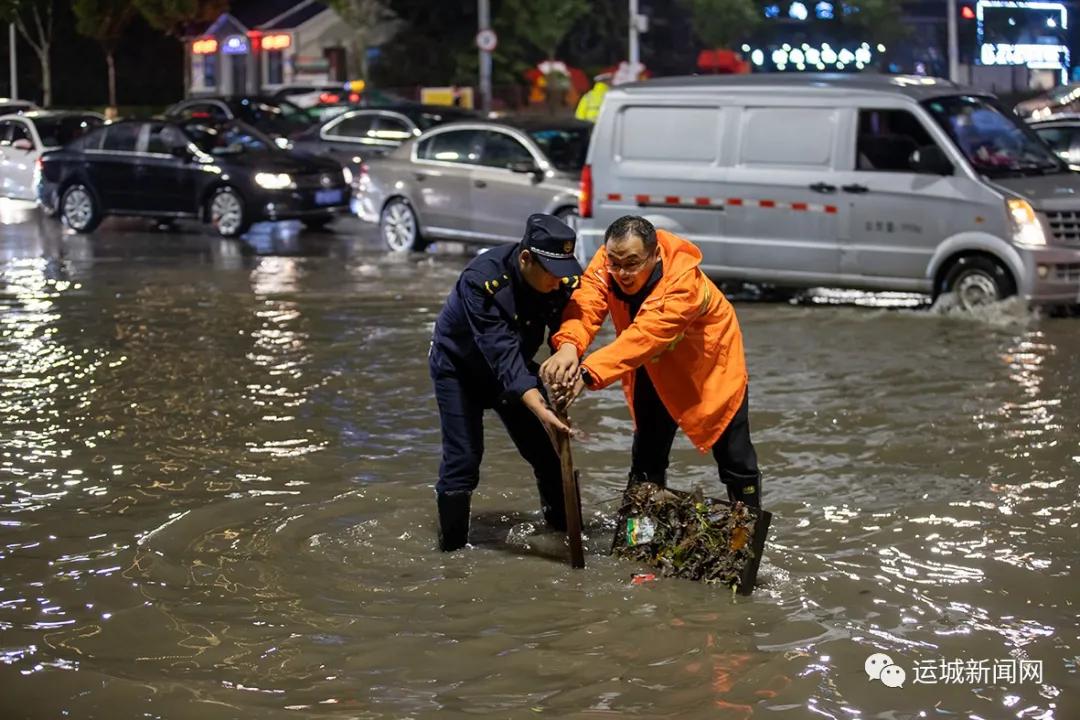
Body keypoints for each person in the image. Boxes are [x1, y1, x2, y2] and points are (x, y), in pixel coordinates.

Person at [541, 215, 761, 507]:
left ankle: (743, 534)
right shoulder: (610, 260)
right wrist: (568, 344)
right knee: (647, 452)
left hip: (707, 366)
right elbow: (587, 303)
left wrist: (586, 373)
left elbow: (646, 334)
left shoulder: (684, 284)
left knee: (735, 457)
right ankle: (639, 536)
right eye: (615, 264)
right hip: (648, 362)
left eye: (632, 264)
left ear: (655, 255)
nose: (622, 273)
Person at [430, 213, 584, 551]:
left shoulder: (561, 281)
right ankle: (451, 554)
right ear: (526, 258)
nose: (559, 282)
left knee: (548, 454)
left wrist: (571, 365)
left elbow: (569, 327)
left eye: (563, 274)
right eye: (551, 275)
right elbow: (499, 352)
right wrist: (539, 408)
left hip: (516, 366)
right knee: (464, 460)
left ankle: (566, 536)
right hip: (460, 370)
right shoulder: (482, 280)